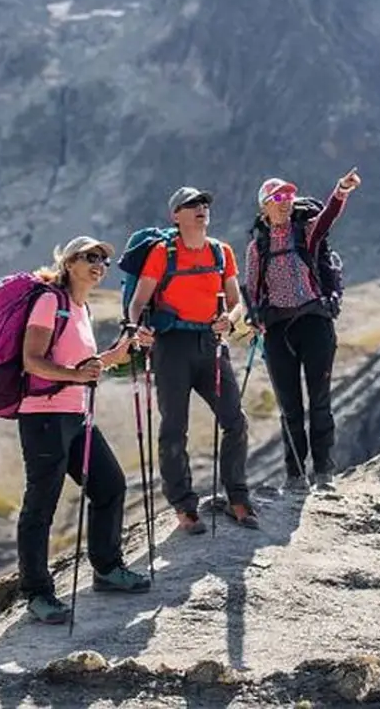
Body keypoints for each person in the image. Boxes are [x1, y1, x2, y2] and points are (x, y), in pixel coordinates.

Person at [17, 235, 154, 625]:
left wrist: (123, 350)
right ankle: (37, 593)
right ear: (69, 262)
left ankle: (107, 569)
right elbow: (31, 361)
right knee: (41, 504)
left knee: (109, 486)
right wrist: (75, 375)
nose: (99, 265)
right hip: (43, 416)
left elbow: (91, 365)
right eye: (90, 257)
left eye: (103, 261)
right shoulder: (50, 302)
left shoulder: (81, 308)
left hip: (77, 416)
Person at [125, 186, 257, 533]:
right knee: (173, 428)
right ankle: (184, 506)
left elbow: (235, 300)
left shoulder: (221, 251)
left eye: (204, 204)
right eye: (191, 205)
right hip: (171, 346)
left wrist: (230, 317)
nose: (201, 209)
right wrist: (136, 327)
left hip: (210, 342)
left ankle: (237, 496)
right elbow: (139, 301)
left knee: (234, 419)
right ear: (176, 216)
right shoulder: (162, 253)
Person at [245, 167, 361, 490]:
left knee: (320, 401)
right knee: (290, 407)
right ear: (264, 207)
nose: (285, 202)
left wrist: (341, 190)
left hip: (314, 323)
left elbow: (327, 218)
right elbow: (253, 291)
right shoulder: (258, 249)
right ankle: (295, 476)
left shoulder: (305, 231)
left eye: (288, 196)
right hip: (278, 331)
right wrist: (253, 318)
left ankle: (324, 473)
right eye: (277, 198)